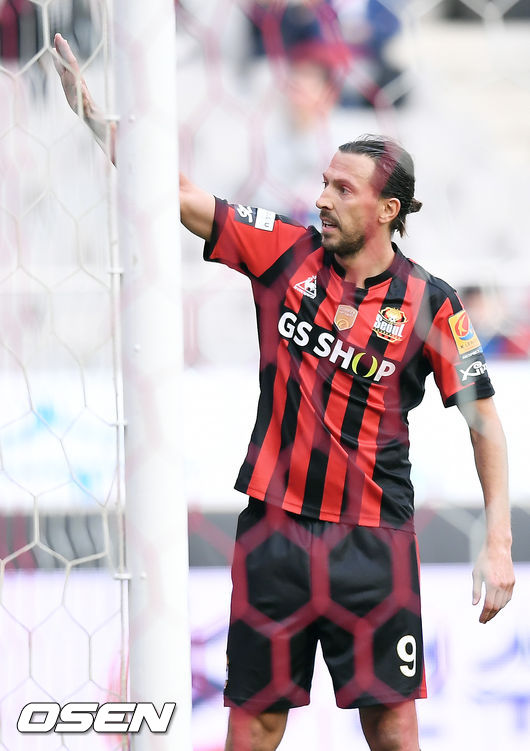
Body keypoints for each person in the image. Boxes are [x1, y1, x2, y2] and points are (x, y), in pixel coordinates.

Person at [54, 33, 515, 751]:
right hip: (273, 533)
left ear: (388, 209)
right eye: (325, 183)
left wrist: (498, 541)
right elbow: (176, 192)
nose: (322, 198)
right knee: (255, 727)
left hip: (373, 543)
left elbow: (484, 420)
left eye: (342, 190)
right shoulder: (285, 253)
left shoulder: (432, 303)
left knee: (393, 731)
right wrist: (92, 117)